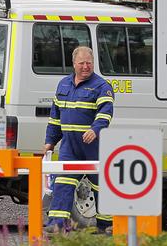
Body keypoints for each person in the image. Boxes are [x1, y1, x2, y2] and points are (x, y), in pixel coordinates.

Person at [44, 46, 114, 233]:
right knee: (63, 183)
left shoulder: (102, 86)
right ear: (74, 64)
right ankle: (56, 226)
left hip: (94, 146)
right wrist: (50, 140)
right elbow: (55, 117)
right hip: (69, 146)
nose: (85, 66)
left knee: (101, 185)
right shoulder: (63, 84)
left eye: (89, 63)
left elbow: (105, 113)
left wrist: (95, 129)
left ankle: (107, 226)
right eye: (82, 63)